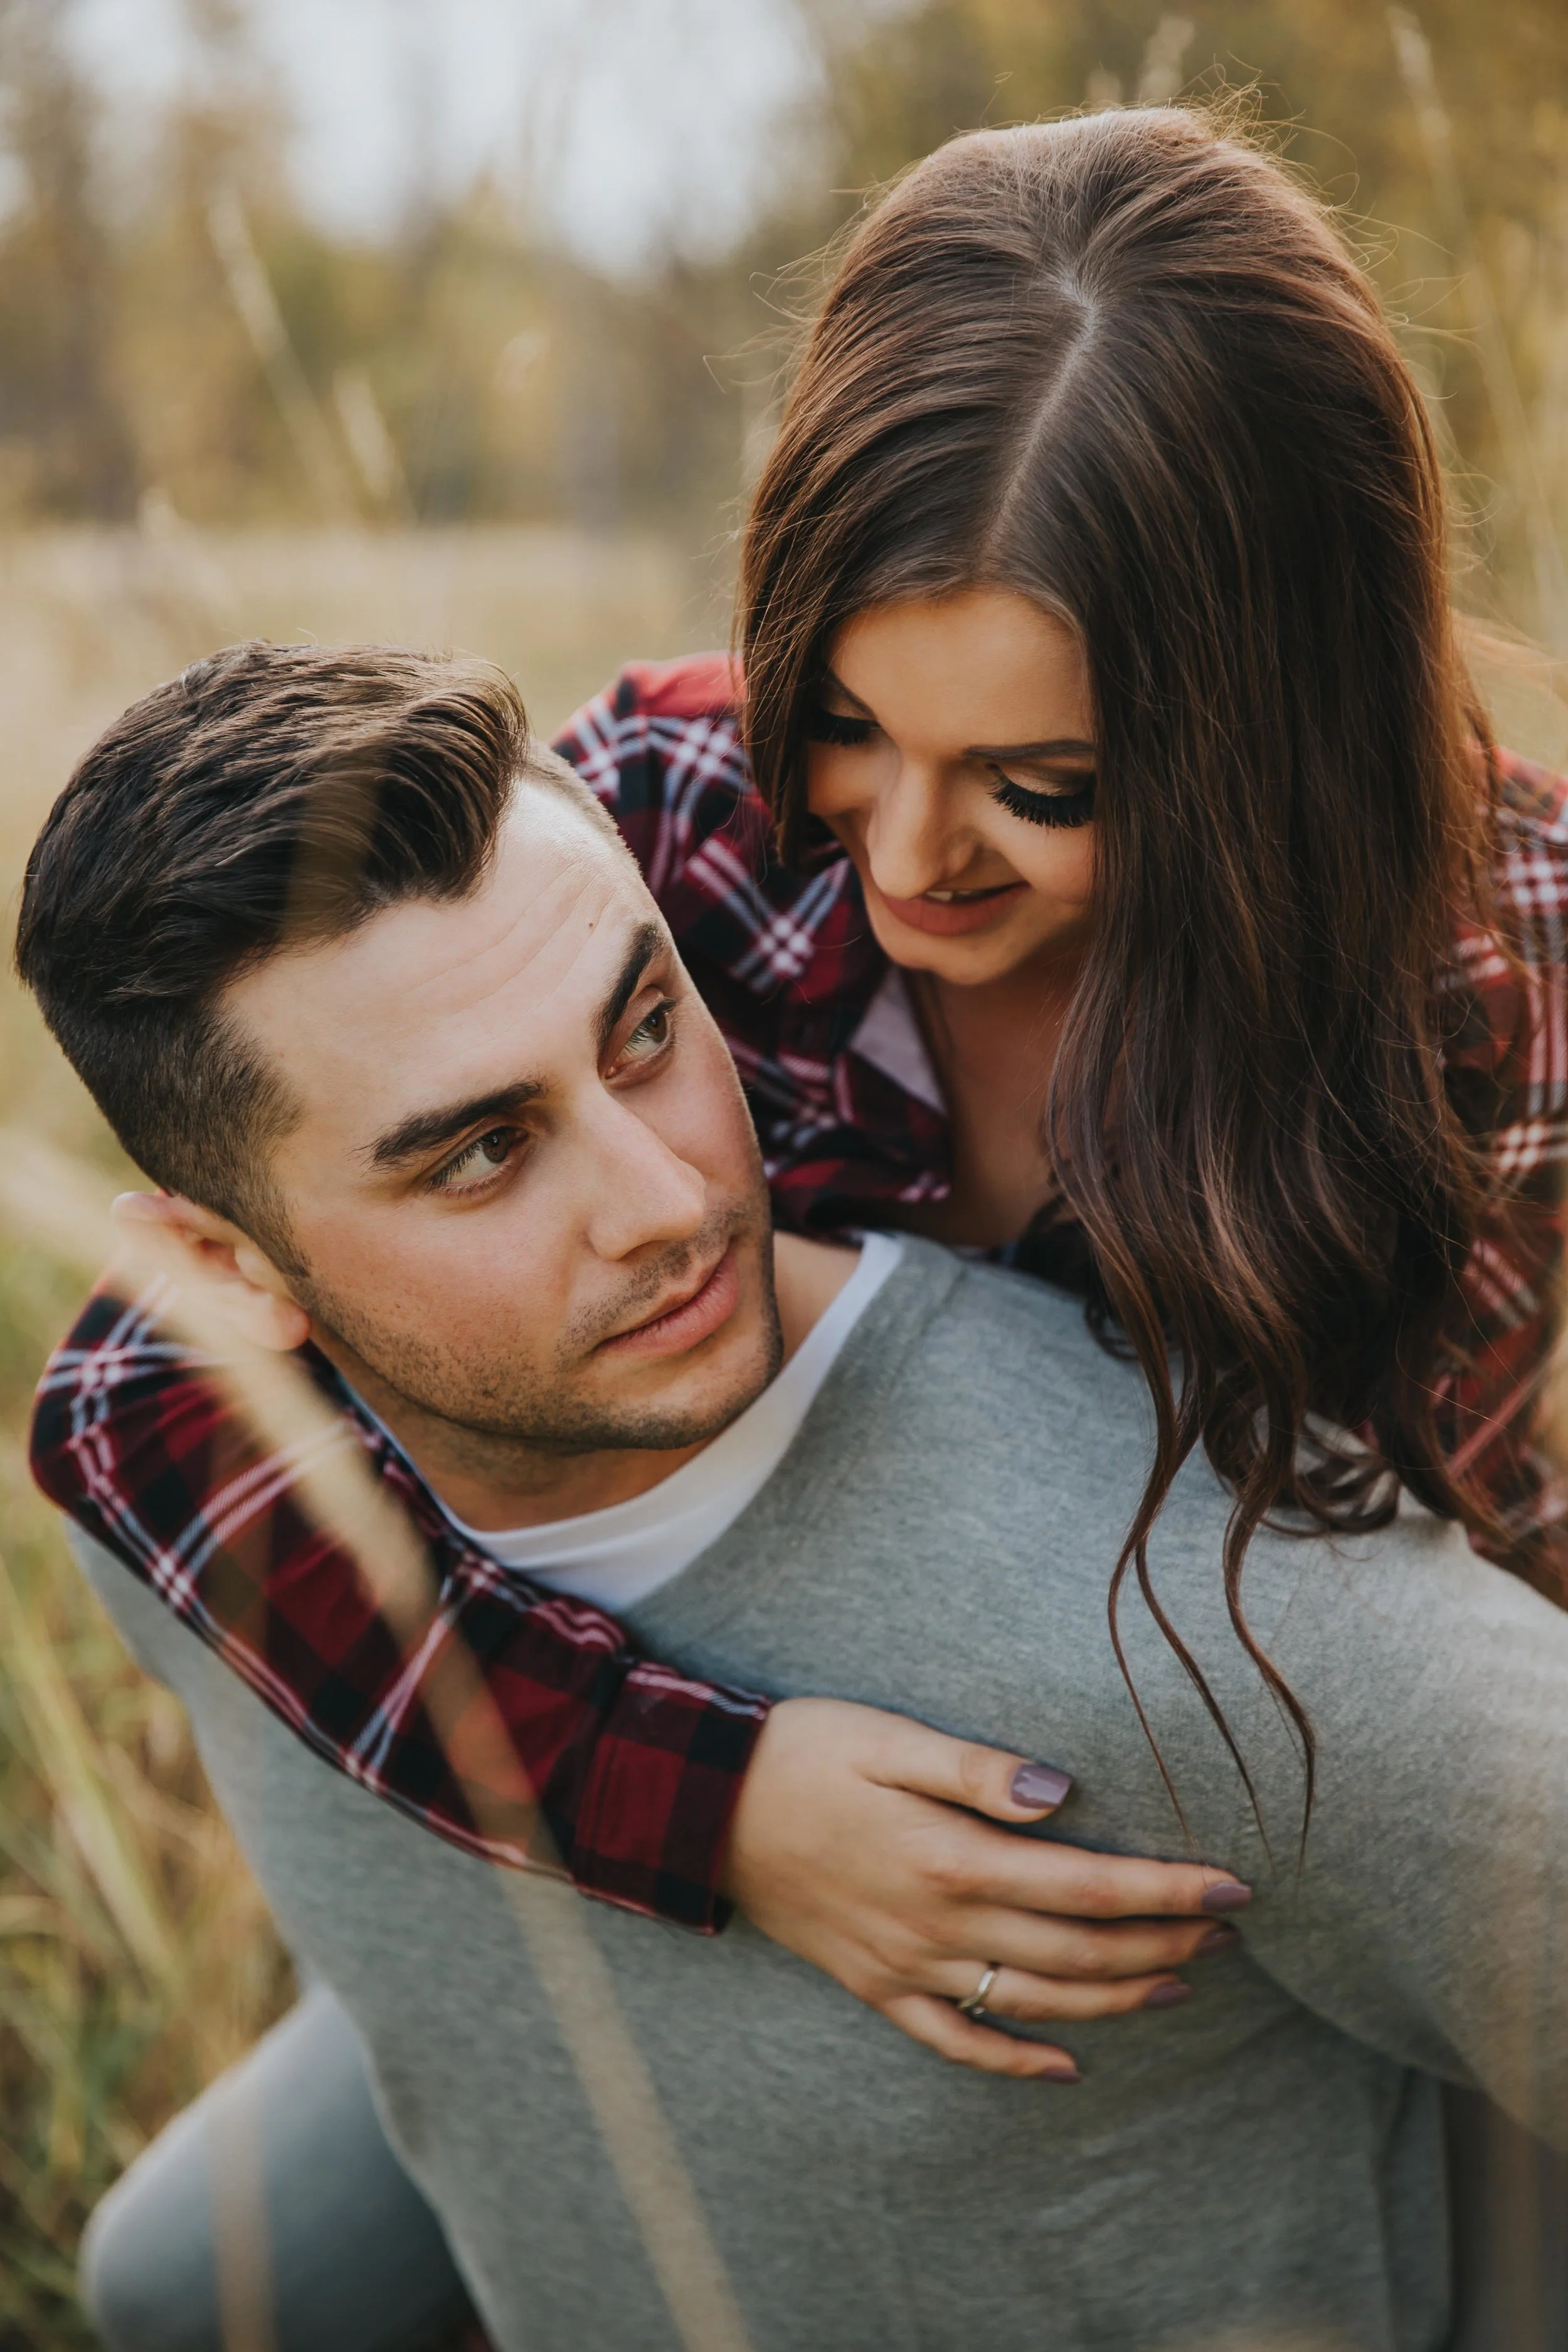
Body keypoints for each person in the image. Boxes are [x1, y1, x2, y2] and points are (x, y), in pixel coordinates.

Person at [31, 105, 1568, 2063]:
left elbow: (1417, 1610)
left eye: (1048, 786)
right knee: (191, 2275)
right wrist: (713, 1806)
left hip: (1190, 1804)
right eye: (845, 718)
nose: (905, 850)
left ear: (1270, 737)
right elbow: (133, 1392)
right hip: (717, 1707)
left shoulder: (1485, 993)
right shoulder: (675, 805)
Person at [23, 645, 1568, 2352]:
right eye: (479, 1149)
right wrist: (715, 1803)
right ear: (227, 1272)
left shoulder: (1244, 1620)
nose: (670, 1193)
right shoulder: (185, 1542)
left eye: (645, 1027)